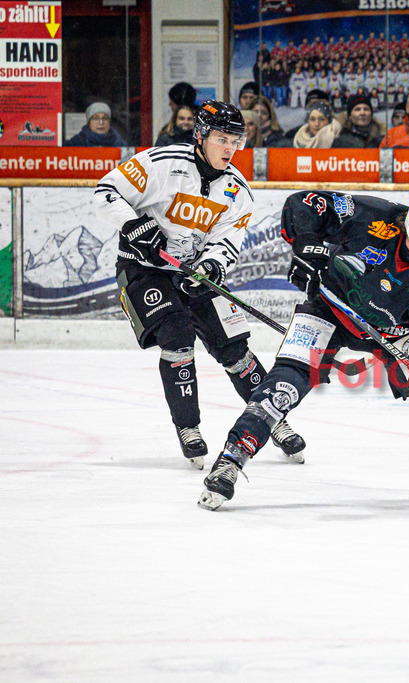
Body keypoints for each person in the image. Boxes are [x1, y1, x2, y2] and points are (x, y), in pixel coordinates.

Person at [197, 190, 409, 511]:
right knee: (284, 386)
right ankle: (230, 461)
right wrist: (307, 247)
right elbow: (304, 203)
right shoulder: (374, 218)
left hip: (389, 333)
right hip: (332, 308)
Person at [95, 100, 306, 470]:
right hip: (144, 269)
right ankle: (188, 427)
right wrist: (133, 226)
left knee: (234, 348)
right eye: (222, 139)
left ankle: (273, 417)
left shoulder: (237, 190)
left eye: (236, 141)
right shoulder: (160, 163)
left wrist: (211, 264)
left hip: (190, 271)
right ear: (201, 136)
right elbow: (105, 193)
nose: (229, 148)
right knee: (176, 335)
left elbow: (227, 241)